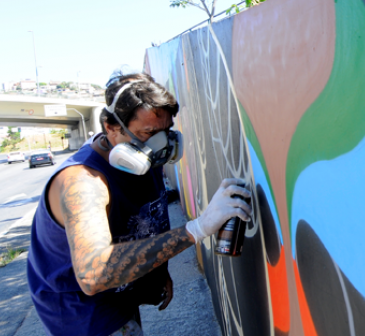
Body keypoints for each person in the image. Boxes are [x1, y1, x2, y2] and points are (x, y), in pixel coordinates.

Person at [27, 73, 252, 336]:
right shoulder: (83, 183)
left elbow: (148, 220)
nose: (161, 144)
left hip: (120, 293)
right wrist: (198, 228)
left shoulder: (146, 160)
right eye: (149, 133)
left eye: (165, 131)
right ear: (111, 128)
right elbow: (93, 274)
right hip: (85, 314)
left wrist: (157, 271)